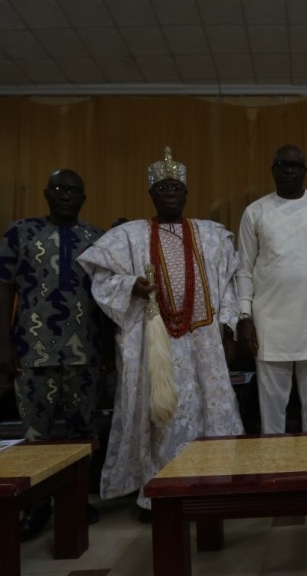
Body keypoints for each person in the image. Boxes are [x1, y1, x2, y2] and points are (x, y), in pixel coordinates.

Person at [77, 147, 244, 521]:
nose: (170, 193)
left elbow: (230, 284)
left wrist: (230, 330)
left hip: (204, 342)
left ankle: (211, 489)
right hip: (153, 340)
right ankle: (158, 495)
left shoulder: (211, 236)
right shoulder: (130, 236)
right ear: (151, 194)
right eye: (163, 188)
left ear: (186, 193)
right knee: (160, 418)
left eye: (176, 188)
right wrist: (131, 285)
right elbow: (101, 278)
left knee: (209, 413)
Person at [0, 168, 106, 539]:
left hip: (85, 350)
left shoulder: (96, 238)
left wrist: (109, 350)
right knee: (36, 434)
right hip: (32, 350)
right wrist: (3, 343)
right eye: (58, 188)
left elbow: (107, 295)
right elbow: (3, 289)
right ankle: (35, 506)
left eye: (73, 190)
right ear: (46, 193)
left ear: (83, 197)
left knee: (82, 432)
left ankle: (75, 501)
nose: (65, 194)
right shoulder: (21, 231)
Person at [236, 144, 307, 433]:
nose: (289, 170)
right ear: (272, 170)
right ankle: (274, 462)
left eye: (295, 165)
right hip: (269, 324)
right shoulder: (254, 212)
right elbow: (244, 270)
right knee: (272, 417)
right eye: (283, 165)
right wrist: (244, 316)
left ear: (305, 171)